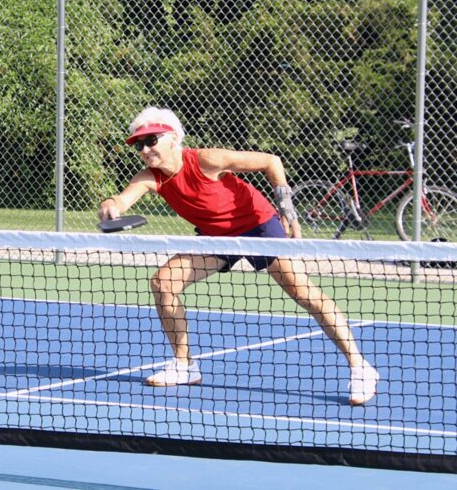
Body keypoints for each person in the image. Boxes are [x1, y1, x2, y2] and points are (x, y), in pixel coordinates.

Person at [98, 106, 379, 406]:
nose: (144, 149)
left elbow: (272, 162)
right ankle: (184, 365)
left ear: (173, 138)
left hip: (258, 225)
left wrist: (287, 210)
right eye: (139, 144)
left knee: (303, 292)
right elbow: (122, 199)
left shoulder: (207, 159)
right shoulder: (150, 177)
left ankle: (360, 368)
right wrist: (110, 206)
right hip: (217, 238)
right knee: (164, 283)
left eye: (151, 140)